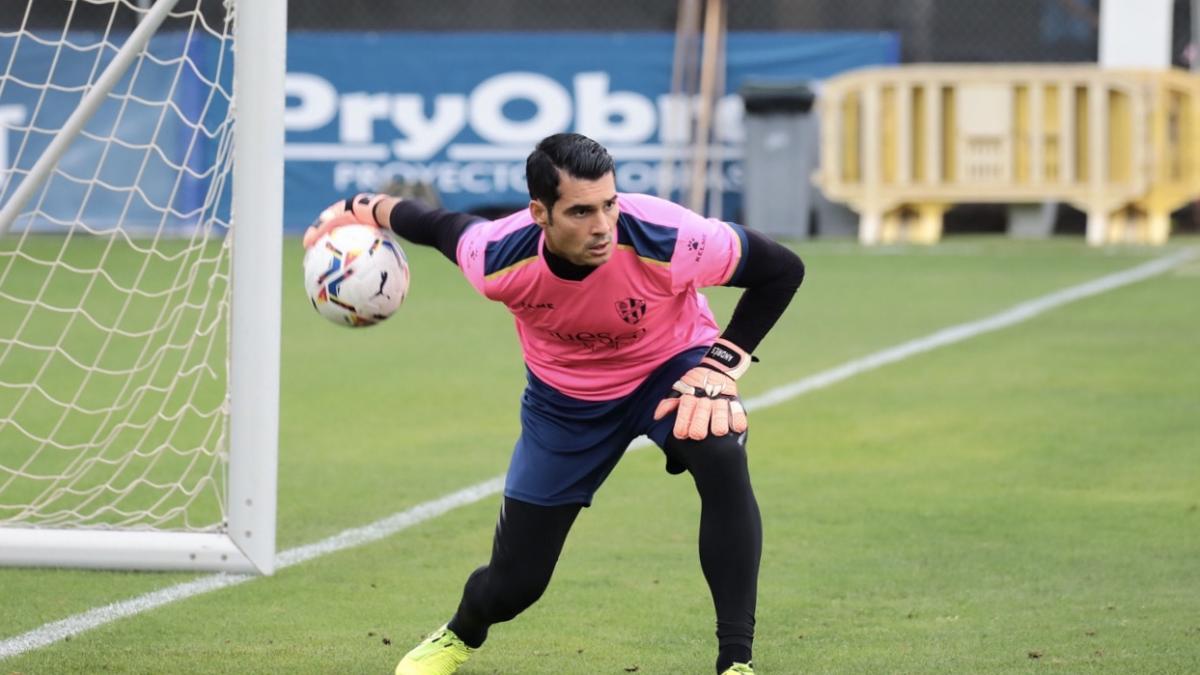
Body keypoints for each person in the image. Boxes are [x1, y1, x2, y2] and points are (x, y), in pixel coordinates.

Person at [304, 133, 805, 675]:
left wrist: (719, 365)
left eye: (610, 204)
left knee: (720, 448)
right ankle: (458, 635)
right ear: (539, 212)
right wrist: (363, 209)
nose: (603, 226)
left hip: (671, 367)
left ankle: (736, 662)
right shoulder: (496, 256)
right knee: (517, 583)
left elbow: (782, 270)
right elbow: (437, 226)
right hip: (566, 401)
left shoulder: (671, 236)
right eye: (582, 211)